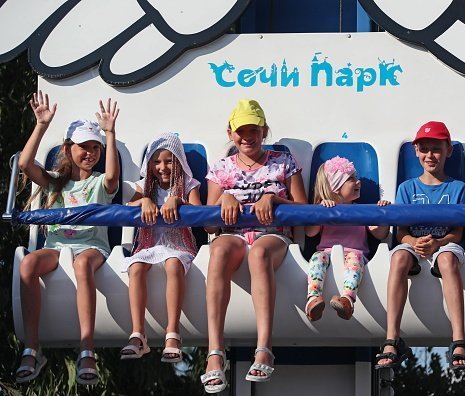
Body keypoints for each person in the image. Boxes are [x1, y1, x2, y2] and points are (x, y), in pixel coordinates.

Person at [200, 99, 307, 393]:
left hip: (271, 234)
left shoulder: (284, 162)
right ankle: (214, 353)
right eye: (241, 130)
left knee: (259, 253)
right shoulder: (220, 169)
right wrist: (223, 199)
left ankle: (264, 347)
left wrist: (274, 198)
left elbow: (303, 208)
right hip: (233, 235)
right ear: (231, 132)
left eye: (254, 129)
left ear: (264, 131)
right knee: (218, 250)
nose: (247, 136)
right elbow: (209, 226)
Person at [16, 91, 120, 385]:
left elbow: (112, 174)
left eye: (95, 148)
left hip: (91, 246)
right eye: (83, 147)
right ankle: (32, 348)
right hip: (57, 247)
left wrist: (110, 134)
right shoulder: (54, 181)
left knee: (82, 265)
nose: (90, 153)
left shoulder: (100, 182)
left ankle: (87, 349)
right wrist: (41, 125)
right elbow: (25, 164)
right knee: (27, 265)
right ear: (68, 148)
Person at [375, 121, 465, 371]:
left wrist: (438, 242)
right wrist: (413, 242)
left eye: (436, 149)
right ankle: (391, 339)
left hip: (443, 244)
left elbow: (458, 232)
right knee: (398, 259)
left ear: (448, 151)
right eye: (425, 149)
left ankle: (459, 339)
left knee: (447, 260)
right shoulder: (407, 188)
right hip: (414, 244)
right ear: (416, 152)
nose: (430, 155)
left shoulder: (458, 189)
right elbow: (401, 232)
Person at [119, 132, 201, 363]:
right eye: (156, 161)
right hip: (149, 244)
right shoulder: (144, 187)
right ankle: (138, 334)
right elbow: (129, 207)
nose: (162, 167)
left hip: (178, 245)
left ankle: (172, 333)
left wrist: (179, 201)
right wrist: (144, 201)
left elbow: (199, 213)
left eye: (168, 160)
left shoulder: (188, 185)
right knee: (136, 266)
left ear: (179, 161)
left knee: (173, 264)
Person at [304, 156, 390, 321]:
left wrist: (383, 214)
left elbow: (380, 234)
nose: (358, 182)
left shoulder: (362, 211)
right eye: (351, 179)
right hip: (327, 254)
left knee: (355, 257)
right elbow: (310, 232)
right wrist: (321, 212)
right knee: (317, 257)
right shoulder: (325, 208)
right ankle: (313, 299)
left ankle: (347, 300)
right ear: (336, 187)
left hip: (355, 254)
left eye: (356, 178)